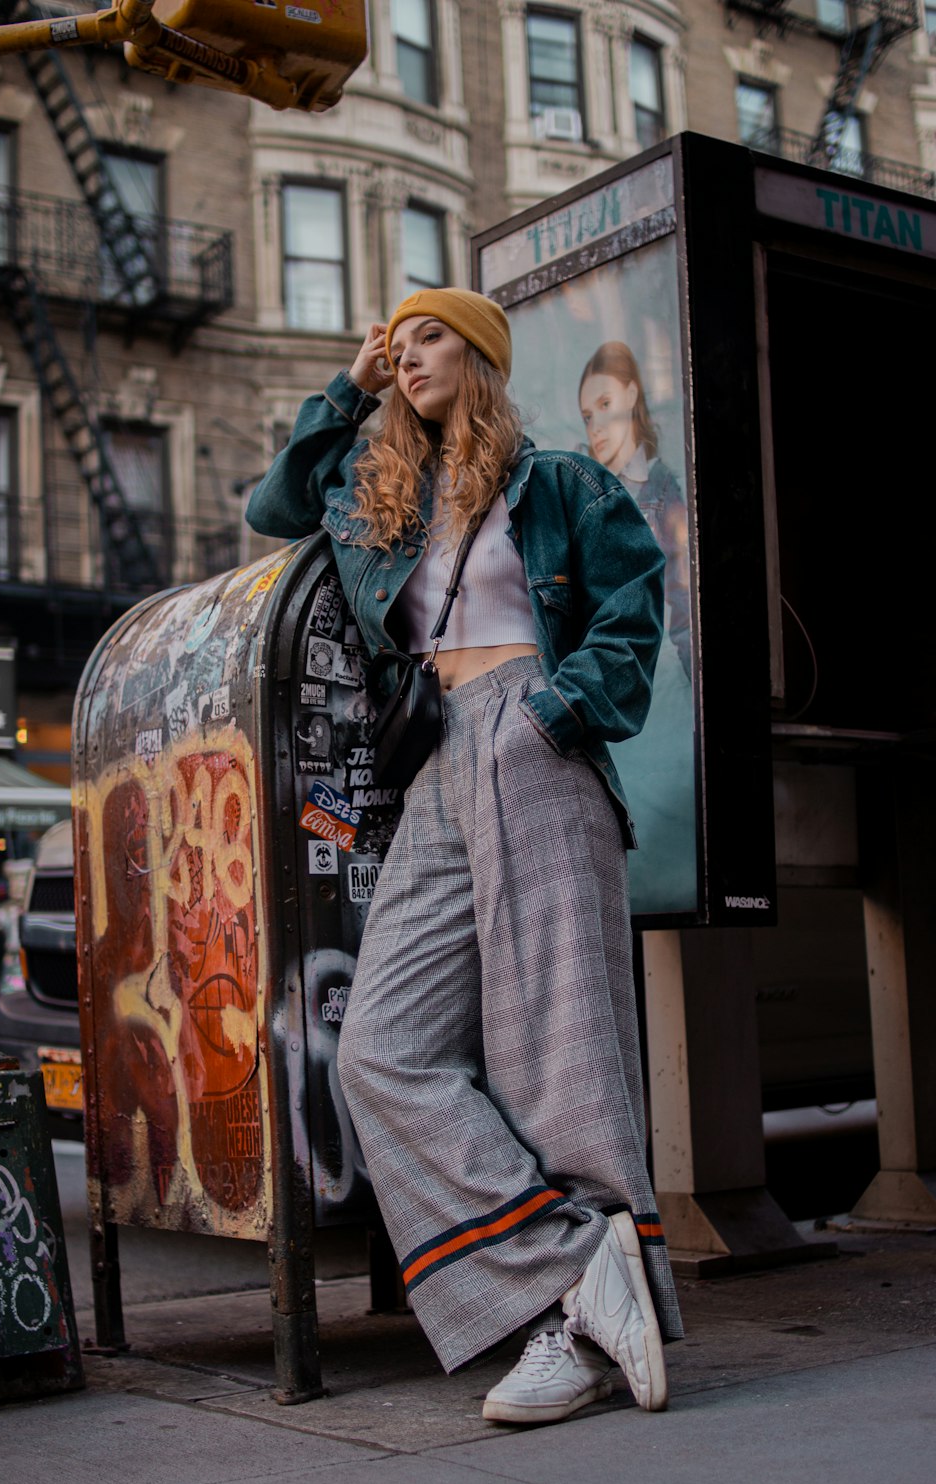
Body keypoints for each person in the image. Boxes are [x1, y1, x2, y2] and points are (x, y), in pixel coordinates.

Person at [246, 288, 683, 1425]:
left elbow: (635, 605)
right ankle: (571, 1267)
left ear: (481, 356)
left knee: (557, 1050)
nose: (408, 351)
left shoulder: (559, 484)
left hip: (531, 732)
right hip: (437, 762)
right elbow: (275, 501)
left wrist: (561, 710)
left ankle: (568, 1336)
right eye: (397, 341)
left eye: (429, 334)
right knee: (381, 1049)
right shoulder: (382, 495)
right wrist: (352, 386)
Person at [578, 341, 691, 681]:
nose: (596, 425)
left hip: (653, 675)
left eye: (605, 403)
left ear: (630, 395)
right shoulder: (582, 494)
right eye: (587, 416)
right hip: (595, 676)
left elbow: (683, 596)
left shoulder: (660, 484)